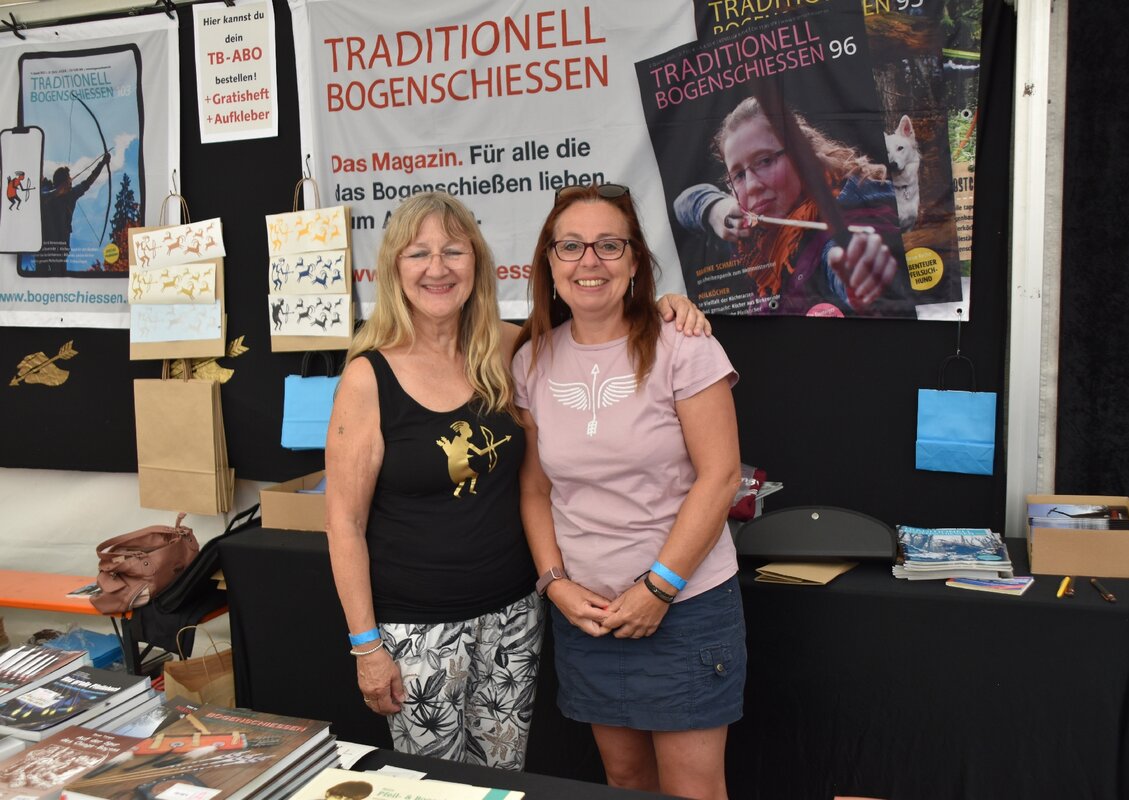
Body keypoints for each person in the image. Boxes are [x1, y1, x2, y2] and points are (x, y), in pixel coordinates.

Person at [324, 190, 709, 771]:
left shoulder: (509, 348)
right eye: (418, 253)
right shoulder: (367, 377)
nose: (437, 268)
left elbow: (597, 318)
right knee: (439, 787)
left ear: (476, 263)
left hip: (514, 619)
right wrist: (365, 646)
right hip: (418, 633)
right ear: (393, 269)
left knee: (501, 780)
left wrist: (665, 306)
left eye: (453, 251)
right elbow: (343, 523)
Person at [513, 183, 745, 800]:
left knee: (692, 790)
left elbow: (721, 477)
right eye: (570, 246)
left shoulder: (684, 346)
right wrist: (555, 584)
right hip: (588, 616)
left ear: (635, 259)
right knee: (625, 782)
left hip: (685, 606)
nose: (589, 261)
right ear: (549, 262)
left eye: (608, 245)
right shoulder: (531, 361)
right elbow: (535, 489)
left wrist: (658, 589)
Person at [674, 95, 906, 316]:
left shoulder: (849, 209)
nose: (752, 186)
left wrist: (855, 274)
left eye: (765, 161)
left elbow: (838, 255)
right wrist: (716, 208)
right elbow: (685, 201)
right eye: (738, 175)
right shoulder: (751, 234)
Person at [36, 153, 110, 275]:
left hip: (59, 249)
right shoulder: (47, 192)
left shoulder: (70, 195)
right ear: (62, 183)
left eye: (69, 181)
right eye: (68, 181)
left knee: (58, 277)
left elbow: (88, 182)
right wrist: (57, 191)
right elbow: (41, 195)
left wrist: (102, 164)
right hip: (44, 248)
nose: (71, 183)